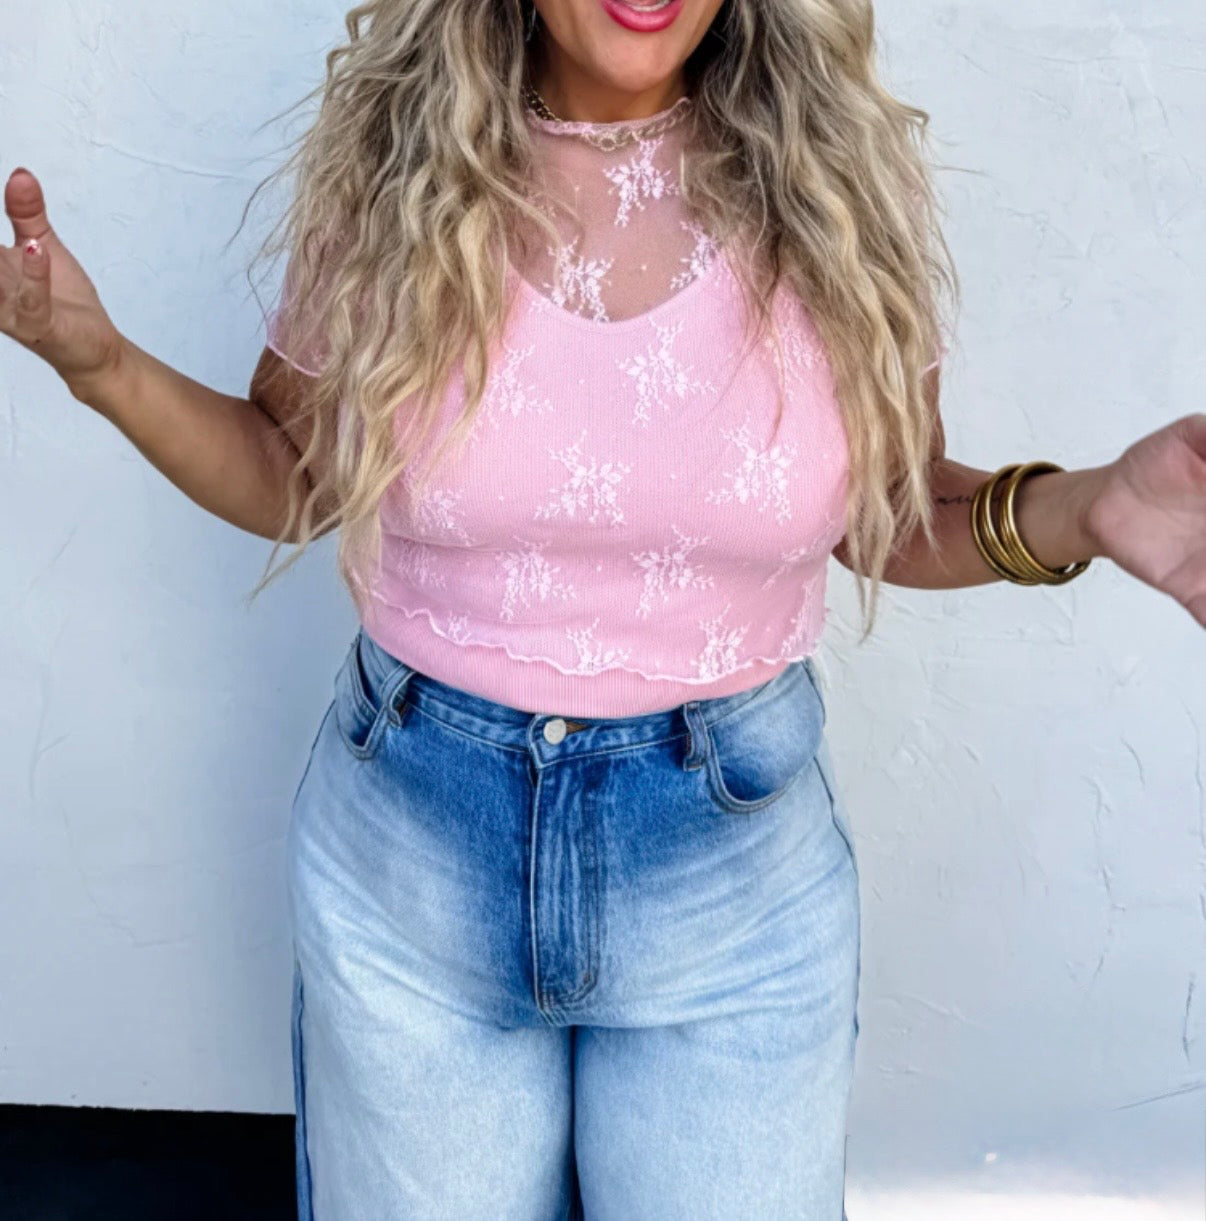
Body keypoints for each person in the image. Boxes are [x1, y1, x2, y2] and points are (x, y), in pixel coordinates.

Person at [3, 0, 1203, 1216]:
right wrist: (100, 365)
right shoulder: (393, 165)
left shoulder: (842, 179)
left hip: (730, 883)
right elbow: (295, 473)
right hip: (411, 865)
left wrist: (1090, 508)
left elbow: (886, 512)